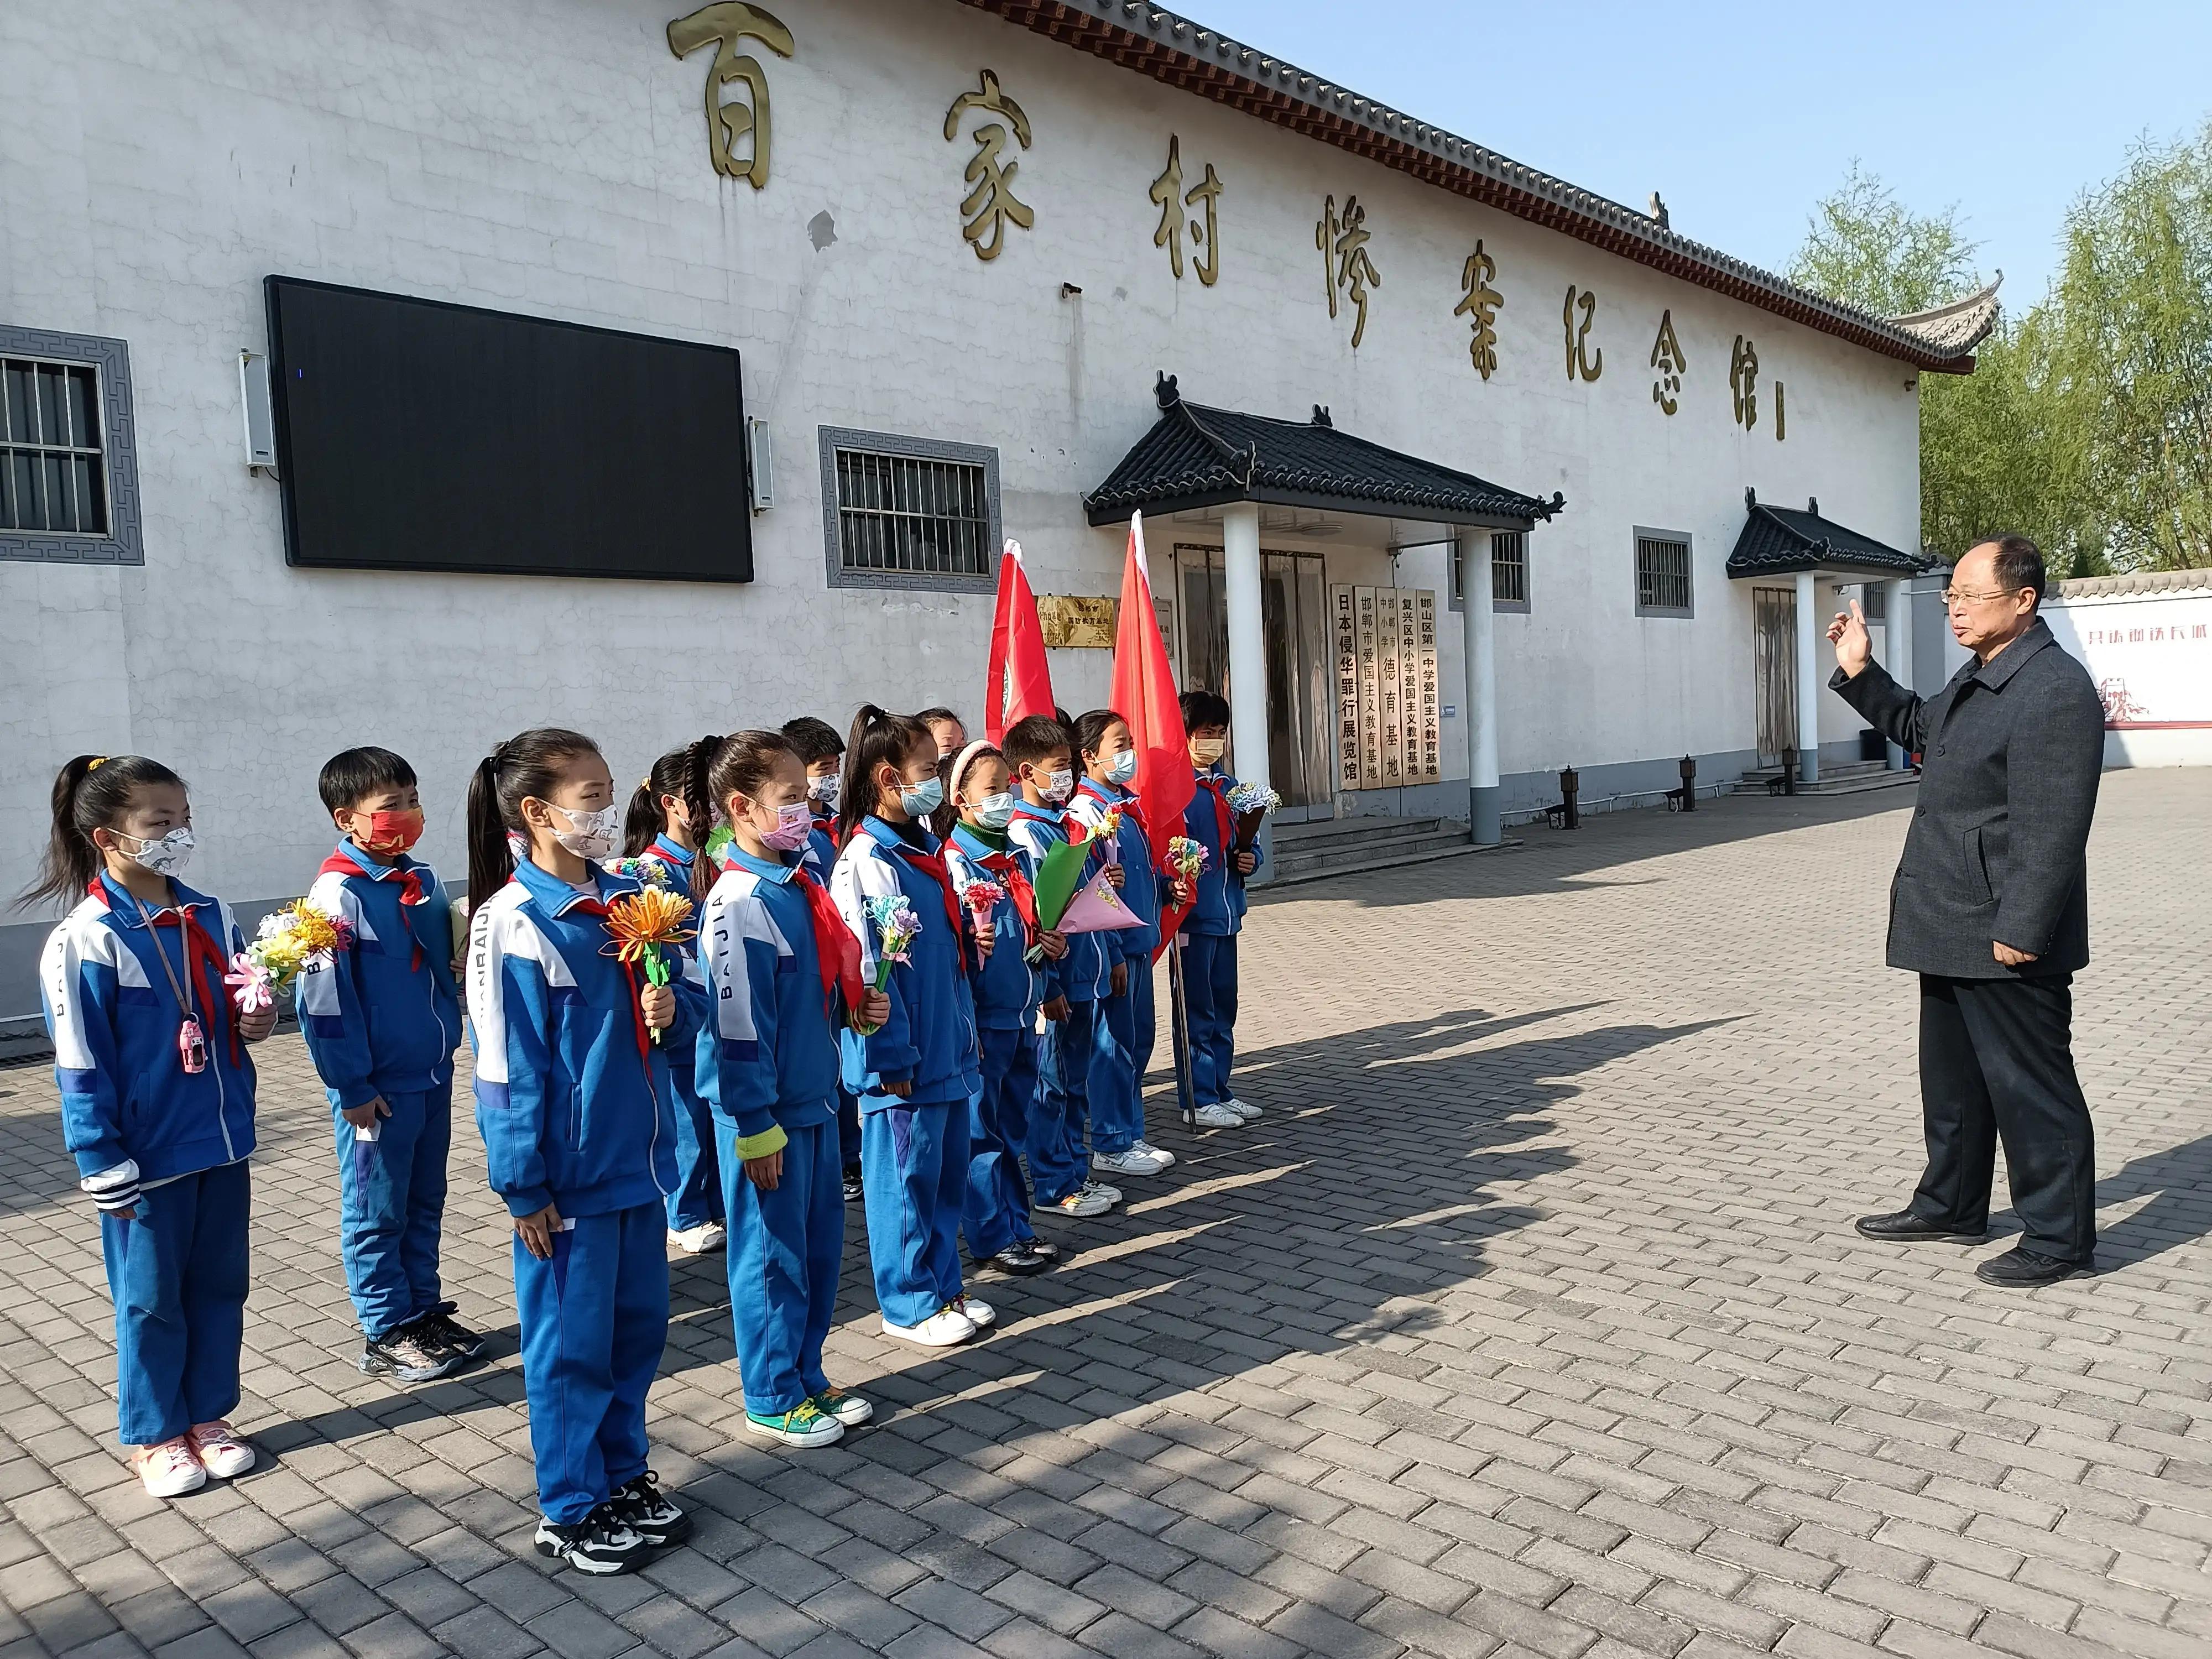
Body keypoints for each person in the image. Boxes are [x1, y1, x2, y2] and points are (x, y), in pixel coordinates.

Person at [1828, 535, 2106, 1287]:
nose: (1953, 607)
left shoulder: (2053, 689)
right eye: (1950, 594)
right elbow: (1924, 730)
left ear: (2024, 600)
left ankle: (2058, 1238)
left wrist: (2024, 927)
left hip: (2002, 928)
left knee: (2029, 1084)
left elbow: (2055, 826)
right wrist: (1861, 670)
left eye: (1968, 596)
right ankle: (1951, 1204)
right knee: (1951, 1078)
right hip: (1948, 914)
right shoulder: (1984, 676)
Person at [466, 728, 693, 1573]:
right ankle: (568, 1505)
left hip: (636, 1165)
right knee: (570, 1349)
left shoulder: (634, 899)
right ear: (537, 813)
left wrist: (676, 1014)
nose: (606, 811)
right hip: (566, 1184)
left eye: (605, 792)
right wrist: (522, 1182)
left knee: (636, 1334)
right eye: (591, 796)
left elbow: (679, 1010)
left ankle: (622, 1473)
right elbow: (503, 1068)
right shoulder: (512, 921)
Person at [27, 755, 277, 1498]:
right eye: (159, 824)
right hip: (145, 1157)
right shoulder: (85, 938)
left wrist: (255, 1019)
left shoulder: (210, 913)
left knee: (219, 1286)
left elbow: (238, 1005)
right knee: (149, 1297)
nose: (178, 835)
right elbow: (79, 1062)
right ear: (109, 838)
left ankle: (208, 1418)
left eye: (184, 819)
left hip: (221, 1140)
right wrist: (99, 1156)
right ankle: (154, 1433)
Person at [693, 731, 889, 1446]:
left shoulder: (795, 882)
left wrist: (853, 1007)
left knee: (815, 1252)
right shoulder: (739, 901)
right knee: (771, 1259)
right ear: (741, 808)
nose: (805, 811)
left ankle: (805, 1372)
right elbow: (737, 1028)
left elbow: (802, 996)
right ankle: (771, 1391)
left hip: (810, 1101)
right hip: (764, 1114)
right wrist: (753, 1123)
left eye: (806, 797)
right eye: (790, 799)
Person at [299, 746, 479, 1386]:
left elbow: (439, 967)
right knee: (377, 1209)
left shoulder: (422, 881)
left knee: (425, 1198)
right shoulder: (334, 896)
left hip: (431, 1073)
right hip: (375, 1090)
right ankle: (384, 1328)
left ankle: (422, 1310)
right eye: (387, 807)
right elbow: (322, 1001)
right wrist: (351, 1084)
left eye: (411, 799)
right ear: (347, 820)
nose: (405, 815)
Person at [831, 707, 994, 1347]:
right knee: (904, 1184)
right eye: (928, 770)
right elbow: (867, 971)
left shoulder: (925, 850)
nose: (936, 781)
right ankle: (908, 1302)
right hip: (903, 1063)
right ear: (887, 778)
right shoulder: (868, 859)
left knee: (941, 1180)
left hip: (946, 1052)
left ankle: (944, 1285)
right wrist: (888, 1059)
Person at [943, 740, 1066, 1276]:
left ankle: (1016, 1223)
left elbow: (1028, 929)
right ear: (960, 801)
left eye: (1005, 788)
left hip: (1022, 1015)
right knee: (981, 1134)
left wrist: (1049, 950)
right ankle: (991, 1236)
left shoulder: (1012, 857)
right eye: (989, 790)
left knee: (1010, 1129)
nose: (1002, 799)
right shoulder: (953, 862)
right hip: (982, 1022)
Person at [1003, 714, 1121, 1219]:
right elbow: (1038, 919)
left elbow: (1095, 898)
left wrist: (1112, 955)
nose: (1068, 778)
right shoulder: (1023, 835)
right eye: (1059, 768)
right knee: (1050, 1084)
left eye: (1071, 766)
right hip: (1057, 983)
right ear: (1027, 772)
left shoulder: (1070, 825)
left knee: (1074, 1082)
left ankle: (1075, 1170)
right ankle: (1053, 1182)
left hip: (1087, 974)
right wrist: (1048, 984)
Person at [1070, 709, 1187, 1165]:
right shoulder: (1086, 814)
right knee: (1112, 1046)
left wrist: (1164, 887)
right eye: (1119, 745)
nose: (1129, 754)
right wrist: (1114, 951)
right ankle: (1112, 1142)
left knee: (1136, 1043)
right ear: (1089, 756)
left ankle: (1129, 1132)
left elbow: (1132, 876)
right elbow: (1092, 892)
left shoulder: (1125, 808)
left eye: (1129, 743)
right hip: (1115, 948)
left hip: (1140, 942)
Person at [623, 745, 723, 1256]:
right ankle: (683, 1212)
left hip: (716, 1008)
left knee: (711, 1112)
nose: (712, 809)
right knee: (685, 1114)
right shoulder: (648, 872)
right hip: (681, 1011)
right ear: (671, 804)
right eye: (700, 799)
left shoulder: (714, 859)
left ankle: (711, 1201)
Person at [781, 714, 863, 1202]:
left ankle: (847, 1159)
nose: (830, 779)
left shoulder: (834, 828)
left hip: (841, 966)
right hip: (814, 969)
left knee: (841, 1070)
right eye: (823, 768)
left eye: (837, 767)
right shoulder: (793, 839)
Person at [1177, 692, 1264, 1126]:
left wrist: (1251, 858)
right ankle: (1199, 1095)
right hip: (1193, 919)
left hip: (1229, 914)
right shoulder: (1175, 790)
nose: (1213, 741)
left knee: (1224, 1006)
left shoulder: (1230, 788)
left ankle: (1221, 1088)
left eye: (1219, 734)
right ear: (1185, 735)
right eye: (1204, 734)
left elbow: (1251, 848)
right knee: (1198, 1009)